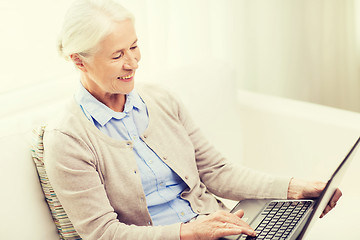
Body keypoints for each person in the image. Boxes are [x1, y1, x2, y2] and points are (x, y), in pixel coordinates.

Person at [43, 0, 342, 239]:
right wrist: (190, 233)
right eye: (117, 55)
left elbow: (216, 171)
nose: (133, 62)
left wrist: (292, 188)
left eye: (134, 46)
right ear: (79, 61)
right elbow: (102, 233)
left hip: (221, 229)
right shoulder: (67, 139)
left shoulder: (161, 100)